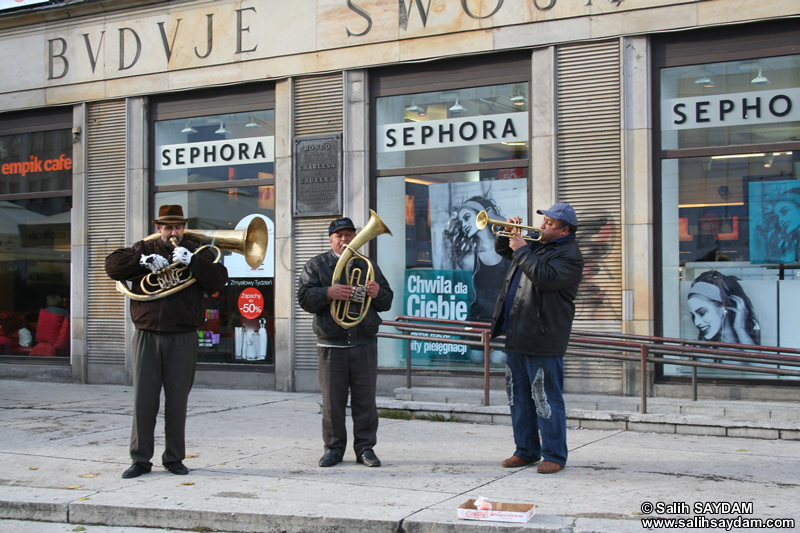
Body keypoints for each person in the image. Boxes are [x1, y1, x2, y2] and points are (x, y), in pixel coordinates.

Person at [105, 205, 228, 479]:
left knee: (177, 401)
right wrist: (141, 263)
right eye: (168, 227)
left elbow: (219, 280)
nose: (174, 232)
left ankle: (174, 458)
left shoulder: (198, 251)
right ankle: (140, 460)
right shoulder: (143, 248)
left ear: (184, 227)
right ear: (158, 227)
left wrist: (191, 262)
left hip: (183, 334)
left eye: (178, 227)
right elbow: (111, 265)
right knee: (143, 400)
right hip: (147, 333)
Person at [490, 202, 583, 474]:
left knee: (545, 397)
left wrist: (522, 248)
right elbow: (503, 251)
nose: (542, 225)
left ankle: (554, 454)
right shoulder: (538, 246)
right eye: (543, 221)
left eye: (550, 223)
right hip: (517, 333)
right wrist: (507, 234)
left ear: (564, 230)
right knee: (518, 396)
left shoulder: (570, 255)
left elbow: (544, 278)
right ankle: (526, 451)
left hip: (544, 336)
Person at [297, 217, 394, 468]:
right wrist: (327, 293)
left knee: (365, 402)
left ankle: (365, 449)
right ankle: (333, 449)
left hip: (363, 344)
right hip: (331, 345)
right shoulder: (316, 265)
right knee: (332, 403)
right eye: (339, 235)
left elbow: (387, 301)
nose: (345, 239)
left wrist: (377, 293)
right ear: (331, 239)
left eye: (349, 234)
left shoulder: (368, 265)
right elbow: (304, 299)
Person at [687, 270, 760, 346]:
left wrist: (740, 329)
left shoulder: (753, 328)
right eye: (693, 316)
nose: (696, 322)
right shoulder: (704, 346)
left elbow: (755, 356)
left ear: (724, 305)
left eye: (702, 313)